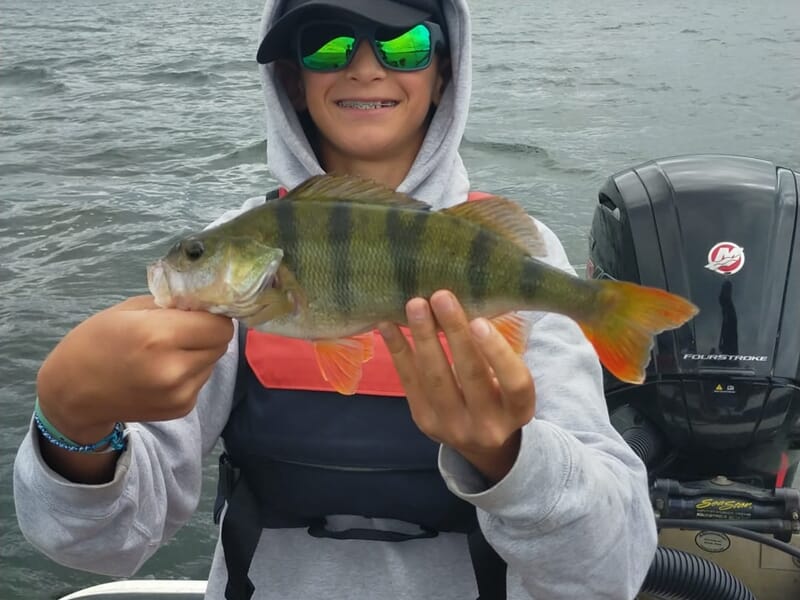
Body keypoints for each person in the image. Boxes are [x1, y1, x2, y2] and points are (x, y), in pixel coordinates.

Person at [13, 0, 658, 598]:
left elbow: (614, 567)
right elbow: (104, 544)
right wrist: (71, 426)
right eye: (328, 44)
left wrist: (509, 457)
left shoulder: (525, 250)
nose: (367, 66)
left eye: (404, 43)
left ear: (445, 74)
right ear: (293, 79)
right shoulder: (236, 264)